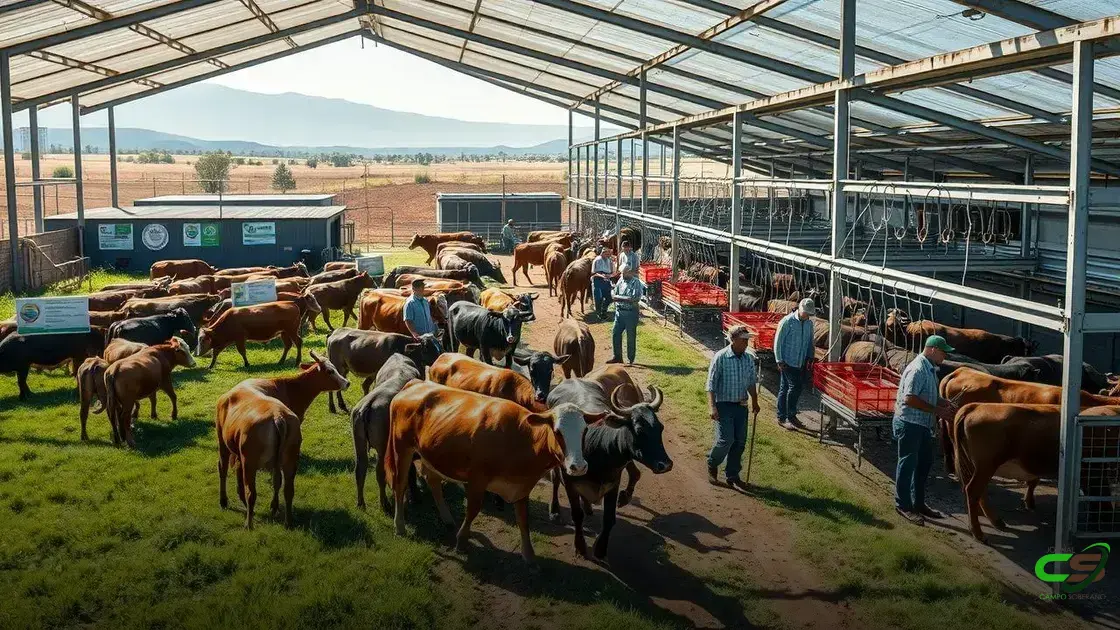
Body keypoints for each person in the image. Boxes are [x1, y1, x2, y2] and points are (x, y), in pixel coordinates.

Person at [894, 335, 958, 525]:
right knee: (907, 465)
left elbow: (929, 395)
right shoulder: (918, 369)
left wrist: (943, 402)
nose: (945, 356)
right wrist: (937, 411)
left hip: (922, 424)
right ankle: (903, 505)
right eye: (943, 352)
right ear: (931, 349)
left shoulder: (930, 369)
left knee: (923, 465)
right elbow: (910, 398)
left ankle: (919, 503)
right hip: (910, 423)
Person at [706, 325, 761, 489]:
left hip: (741, 405)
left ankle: (733, 475)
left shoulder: (748, 359)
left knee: (740, 442)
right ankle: (712, 463)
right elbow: (711, 384)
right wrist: (712, 407)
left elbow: (751, 382)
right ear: (734, 339)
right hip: (723, 405)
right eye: (744, 339)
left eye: (747, 340)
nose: (746, 342)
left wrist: (755, 401)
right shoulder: (720, 357)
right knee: (726, 439)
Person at [773, 298, 816, 430]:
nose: (806, 315)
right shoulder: (787, 322)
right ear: (799, 309)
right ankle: (789, 415)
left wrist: (810, 356)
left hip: (800, 362)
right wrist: (779, 360)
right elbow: (778, 342)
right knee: (795, 387)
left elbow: (810, 341)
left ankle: (783, 416)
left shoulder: (809, 324)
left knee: (785, 388)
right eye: (805, 312)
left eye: (808, 313)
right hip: (787, 361)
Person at [607, 265, 644, 365]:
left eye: (624, 273)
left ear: (630, 272)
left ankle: (630, 359)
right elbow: (614, 293)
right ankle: (617, 356)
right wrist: (617, 296)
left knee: (630, 336)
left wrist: (618, 298)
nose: (622, 275)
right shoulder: (621, 280)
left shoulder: (636, 282)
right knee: (615, 334)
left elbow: (634, 298)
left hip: (630, 313)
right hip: (619, 312)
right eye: (622, 273)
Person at [591, 246, 616, 319]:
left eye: (609, 254)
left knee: (609, 298)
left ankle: (603, 310)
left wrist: (610, 275)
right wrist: (602, 276)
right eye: (607, 254)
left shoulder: (610, 261)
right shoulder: (597, 260)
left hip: (607, 280)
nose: (608, 256)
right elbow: (593, 272)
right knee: (599, 298)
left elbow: (613, 272)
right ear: (602, 253)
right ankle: (599, 313)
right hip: (598, 280)